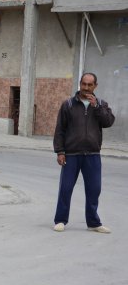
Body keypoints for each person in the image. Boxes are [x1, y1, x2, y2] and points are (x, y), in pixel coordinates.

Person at [53, 72, 115, 233]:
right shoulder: (68, 104)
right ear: (80, 83)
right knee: (65, 188)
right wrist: (60, 151)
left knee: (94, 189)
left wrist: (97, 107)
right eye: (84, 84)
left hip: (93, 154)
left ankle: (93, 223)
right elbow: (60, 130)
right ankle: (60, 220)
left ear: (95, 86)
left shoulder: (101, 104)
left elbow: (108, 122)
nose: (86, 88)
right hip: (71, 154)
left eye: (90, 85)